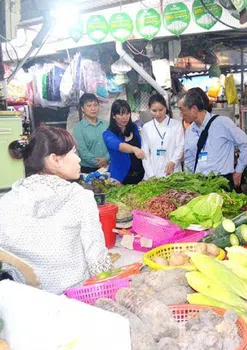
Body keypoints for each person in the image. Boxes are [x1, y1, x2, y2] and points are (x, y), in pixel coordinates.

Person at [0, 126, 112, 294]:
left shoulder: (6, 201)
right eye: (74, 153)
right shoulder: (80, 198)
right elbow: (98, 264)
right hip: (75, 301)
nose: (79, 159)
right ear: (55, 160)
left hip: (27, 301)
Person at [181, 87, 247, 190]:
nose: (181, 114)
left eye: (183, 110)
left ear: (194, 109)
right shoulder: (189, 131)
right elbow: (189, 159)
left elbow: (246, 144)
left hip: (222, 182)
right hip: (199, 183)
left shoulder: (222, 123)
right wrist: (190, 182)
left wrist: (239, 171)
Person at [141, 94, 184, 179]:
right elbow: (145, 153)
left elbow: (180, 146)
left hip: (173, 172)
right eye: (154, 110)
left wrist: (173, 161)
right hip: (153, 173)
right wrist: (151, 175)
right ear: (149, 110)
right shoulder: (147, 127)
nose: (158, 114)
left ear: (166, 108)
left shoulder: (176, 125)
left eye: (161, 110)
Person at [103, 100, 145, 184]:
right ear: (113, 116)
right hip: (121, 178)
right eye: (121, 114)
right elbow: (120, 146)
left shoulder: (134, 127)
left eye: (127, 113)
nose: (125, 117)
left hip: (140, 175)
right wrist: (134, 149)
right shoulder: (107, 134)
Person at [72, 93, 110, 173]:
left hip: (107, 167)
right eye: (89, 106)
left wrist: (106, 158)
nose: (93, 108)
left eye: (95, 105)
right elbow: (83, 151)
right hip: (87, 170)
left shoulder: (106, 125)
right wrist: (98, 163)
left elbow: (112, 145)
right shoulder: (79, 128)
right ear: (82, 108)